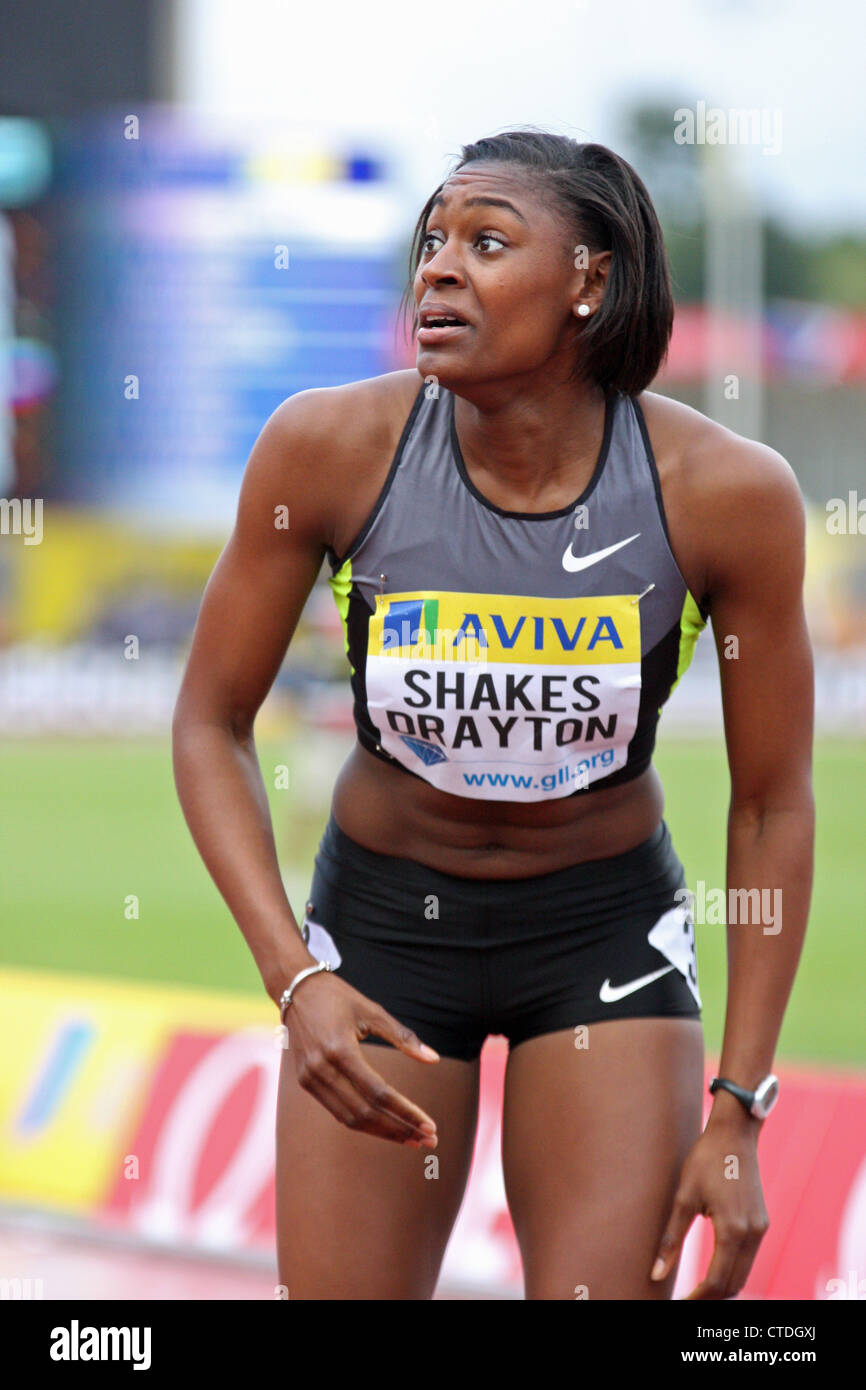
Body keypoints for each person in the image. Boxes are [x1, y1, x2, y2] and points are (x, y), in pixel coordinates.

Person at [171, 131, 814, 1301]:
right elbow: (209, 721)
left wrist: (739, 1107)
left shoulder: (725, 493)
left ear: (590, 280)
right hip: (381, 937)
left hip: (601, 943)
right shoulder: (327, 448)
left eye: (484, 241)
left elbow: (771, 803)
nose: (437, 270)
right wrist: (292, 978)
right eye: (429, 243)